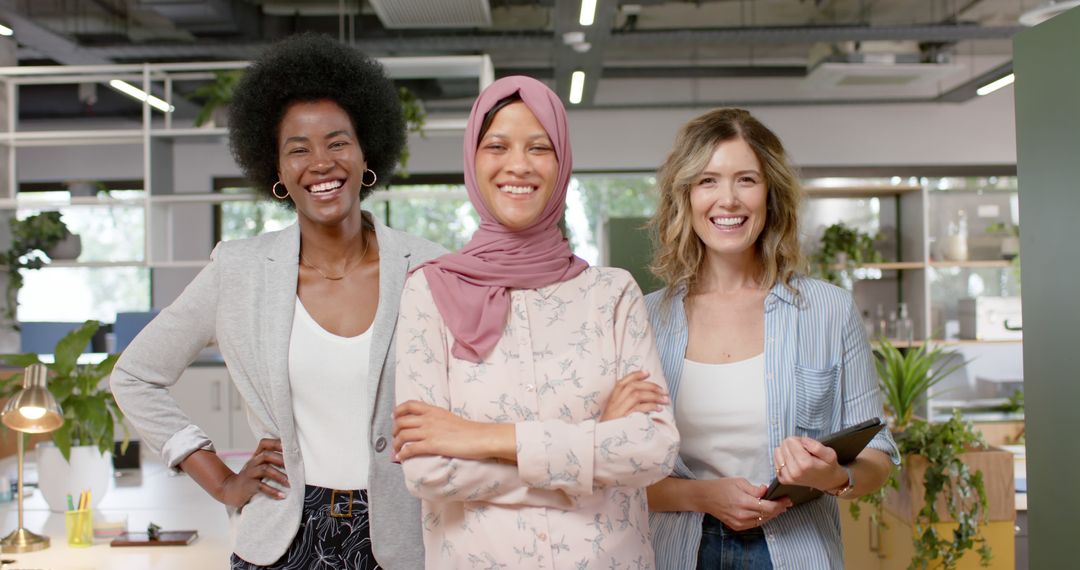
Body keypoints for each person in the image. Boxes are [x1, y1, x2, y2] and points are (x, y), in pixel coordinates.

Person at [110, 34, 444, 569]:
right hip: (282, 539)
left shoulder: (429, 268)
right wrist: (217, 479)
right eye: (298, 149)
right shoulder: (238, 271)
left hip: (404, 537)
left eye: (338, 142)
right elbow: (134, 376)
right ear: (278, 171)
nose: (321, 163)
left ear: (366, 154)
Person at [391, 75, 680, 569]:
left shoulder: (612, 294)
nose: (518, 165)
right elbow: (426, 470)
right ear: (473, 159)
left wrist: (480, 437)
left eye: (539, 147)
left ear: (562, 161)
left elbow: (652, 449)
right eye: (497, 146)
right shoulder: (428, 291)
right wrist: (589, 452)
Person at [644, 108, 900, 570]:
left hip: (798, 552)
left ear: (770, 194)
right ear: (684, 197)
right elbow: (617, 474)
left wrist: (832, 475)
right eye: (707, 181)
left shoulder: (828, 310)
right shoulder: (643, 319)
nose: (728, 200)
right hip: (676, 553)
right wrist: (702, 496)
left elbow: (878, 459)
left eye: (746, 179)